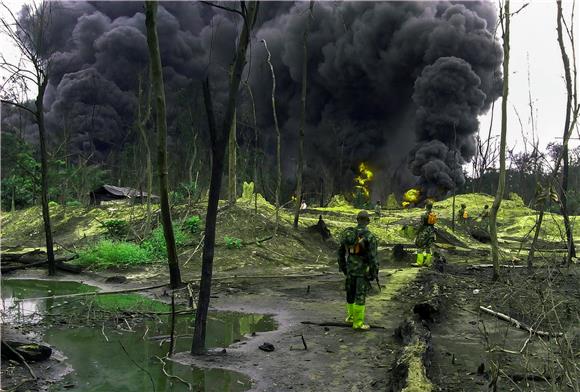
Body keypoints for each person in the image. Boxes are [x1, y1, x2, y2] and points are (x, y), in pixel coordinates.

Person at [337, 210, 379, 330]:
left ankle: (350, 318)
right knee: (360, 296)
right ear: (368, 221)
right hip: (362, 271)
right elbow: (373, 258)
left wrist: (344, 268)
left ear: (357, 220)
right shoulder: (370, 236)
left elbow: (340, 253)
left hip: (350, 269)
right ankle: (358, 323)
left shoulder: (349, 234)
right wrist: (373, 272)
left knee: (350, 293)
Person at [415, 202, 437, 267]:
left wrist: (417, 232)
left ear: (426, 207)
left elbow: (421, 224)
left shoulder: (424, 215)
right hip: (431, 232)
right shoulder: (433, 214)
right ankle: (427, 262)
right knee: (428, 247)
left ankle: (419, 262)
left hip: (424, 232)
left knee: (420, 246)